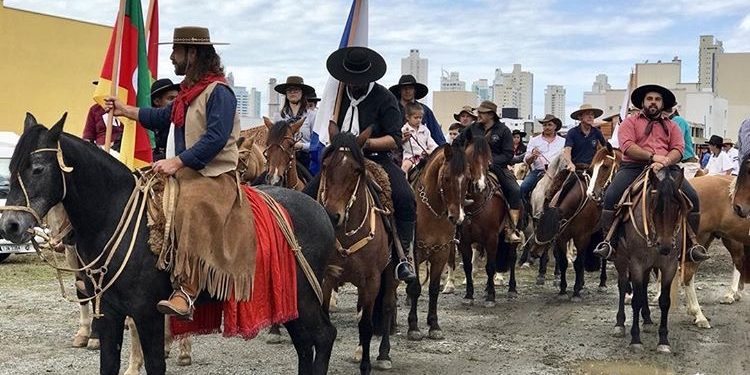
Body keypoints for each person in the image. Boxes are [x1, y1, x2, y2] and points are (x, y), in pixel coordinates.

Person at [103, 26, 253, 317]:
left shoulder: (219, 92)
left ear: (193, 53)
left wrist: (177, 162)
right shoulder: (189, 93)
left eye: (176, 51)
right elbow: (161, 116)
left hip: (214, 176)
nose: (172, 57)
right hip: (187, 171)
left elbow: (215, 138)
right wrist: (126, 110)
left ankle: (188, 288)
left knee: (191, 205)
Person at [303, 46, 416, 281]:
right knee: (306, 196)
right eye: (350, 79)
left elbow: (395, 139)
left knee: (405, 197)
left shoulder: (385, 98)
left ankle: (403, 256)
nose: (354, 84)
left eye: (359, 80)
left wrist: (366, 144)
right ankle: (303, 248)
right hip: (341, 159)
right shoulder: (339, 95)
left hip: (375, 158)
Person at [593, 84, 708, 261]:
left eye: (657, 99)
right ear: (643, 102)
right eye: (650, 99)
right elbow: (628, 146)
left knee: (693, 197)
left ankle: (690, 246)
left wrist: (665, 161)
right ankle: (610, 243)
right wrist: (653, 158)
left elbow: (678, 148)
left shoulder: (673, 126)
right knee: (611, 195)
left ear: (663, 104)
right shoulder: (629, 122)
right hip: (634, 167)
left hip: (668, 167)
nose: (653, 102)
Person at [453, 100, 522, 243]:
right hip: (472, 167)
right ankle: (453, 225)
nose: (478, 115)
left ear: (491, 114)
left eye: (482, 112)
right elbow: (457, 142)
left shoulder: (503, 130)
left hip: (496, 167)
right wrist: (463, 157)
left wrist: (491, 162)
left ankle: (511, 228)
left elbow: (508, 154)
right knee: (453, 186)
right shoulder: (472, 128)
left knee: (514, 190)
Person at [519, 114, 565, 204]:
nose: (547, 127)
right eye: (544, 125)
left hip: (558, 173)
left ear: (555, 126)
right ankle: (524, 212)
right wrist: (532, 156)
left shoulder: (563, 141)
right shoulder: (534, 140)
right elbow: (526, 160)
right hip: (538, 171)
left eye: (549, 125)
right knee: (523, 188)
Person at [274, 76, 317, 170]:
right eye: (289, 90)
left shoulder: (312, 115)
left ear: (302, 93)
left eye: (296, 90)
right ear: (286, 94)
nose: (292, 93)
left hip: (305, 159)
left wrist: (301, 146)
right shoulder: (279, 116)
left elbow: (316, 144)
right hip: (282, 158)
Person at [390, 74, 446, 146]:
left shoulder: (425, 110)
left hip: (420, 153)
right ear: (400, 90)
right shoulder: (392, 110)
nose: (407, 91)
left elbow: (436, 133)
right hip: (395, 151)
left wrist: (444, 149)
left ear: (414, 90)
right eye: (404, 88)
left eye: (410, 88)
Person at [83, 81, 123, 151]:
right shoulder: (95, 109)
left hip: (123, 150)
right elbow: (88, 136)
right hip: (101, 150)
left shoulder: (124, 107)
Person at [401, 102, 438, 173]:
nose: (418, 120)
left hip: (424, 157)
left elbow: (432, 144)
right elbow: (399, 142)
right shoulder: (404, 130)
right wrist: (403, 139)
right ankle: (403, 183)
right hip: (410, 157)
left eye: (420, 117)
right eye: (416, 117)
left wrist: (429, 151)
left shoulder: (425, 130)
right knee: (404, 168)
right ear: (407, 117)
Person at [150, 78, 180, 161]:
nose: (176, 102)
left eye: (177, 98)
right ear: (157, 101)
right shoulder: (144, 125)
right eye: (170, 98)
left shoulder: (180, 124)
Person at [670, 109, 700, 179]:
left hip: (686, 163)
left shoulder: (678, 120)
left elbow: (675, 140)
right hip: (676, 163)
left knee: (679, 186)